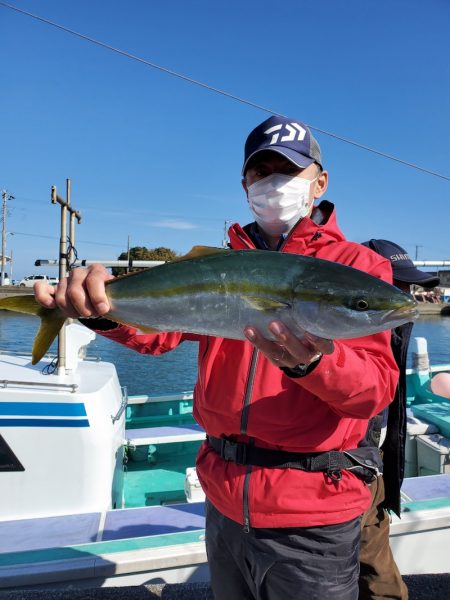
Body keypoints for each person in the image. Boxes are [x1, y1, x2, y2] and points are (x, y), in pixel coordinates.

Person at [35, 115, 400, 600]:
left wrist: (312, 364)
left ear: (320, 183)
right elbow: (159, 336)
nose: (273, 184)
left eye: (288, 171)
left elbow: (373, 393)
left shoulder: (359, 268)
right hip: (224, 502)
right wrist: (101, 313)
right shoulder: (222, 261)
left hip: (312, 514)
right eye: (260, 172)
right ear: (245, 184)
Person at [359, 239, 440, 600]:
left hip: (368, 471)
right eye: (396, 286)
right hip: (352, 475)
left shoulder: (389, 330)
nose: (406, 297)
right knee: (378, 581)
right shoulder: (352, 331)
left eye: (409, 288)